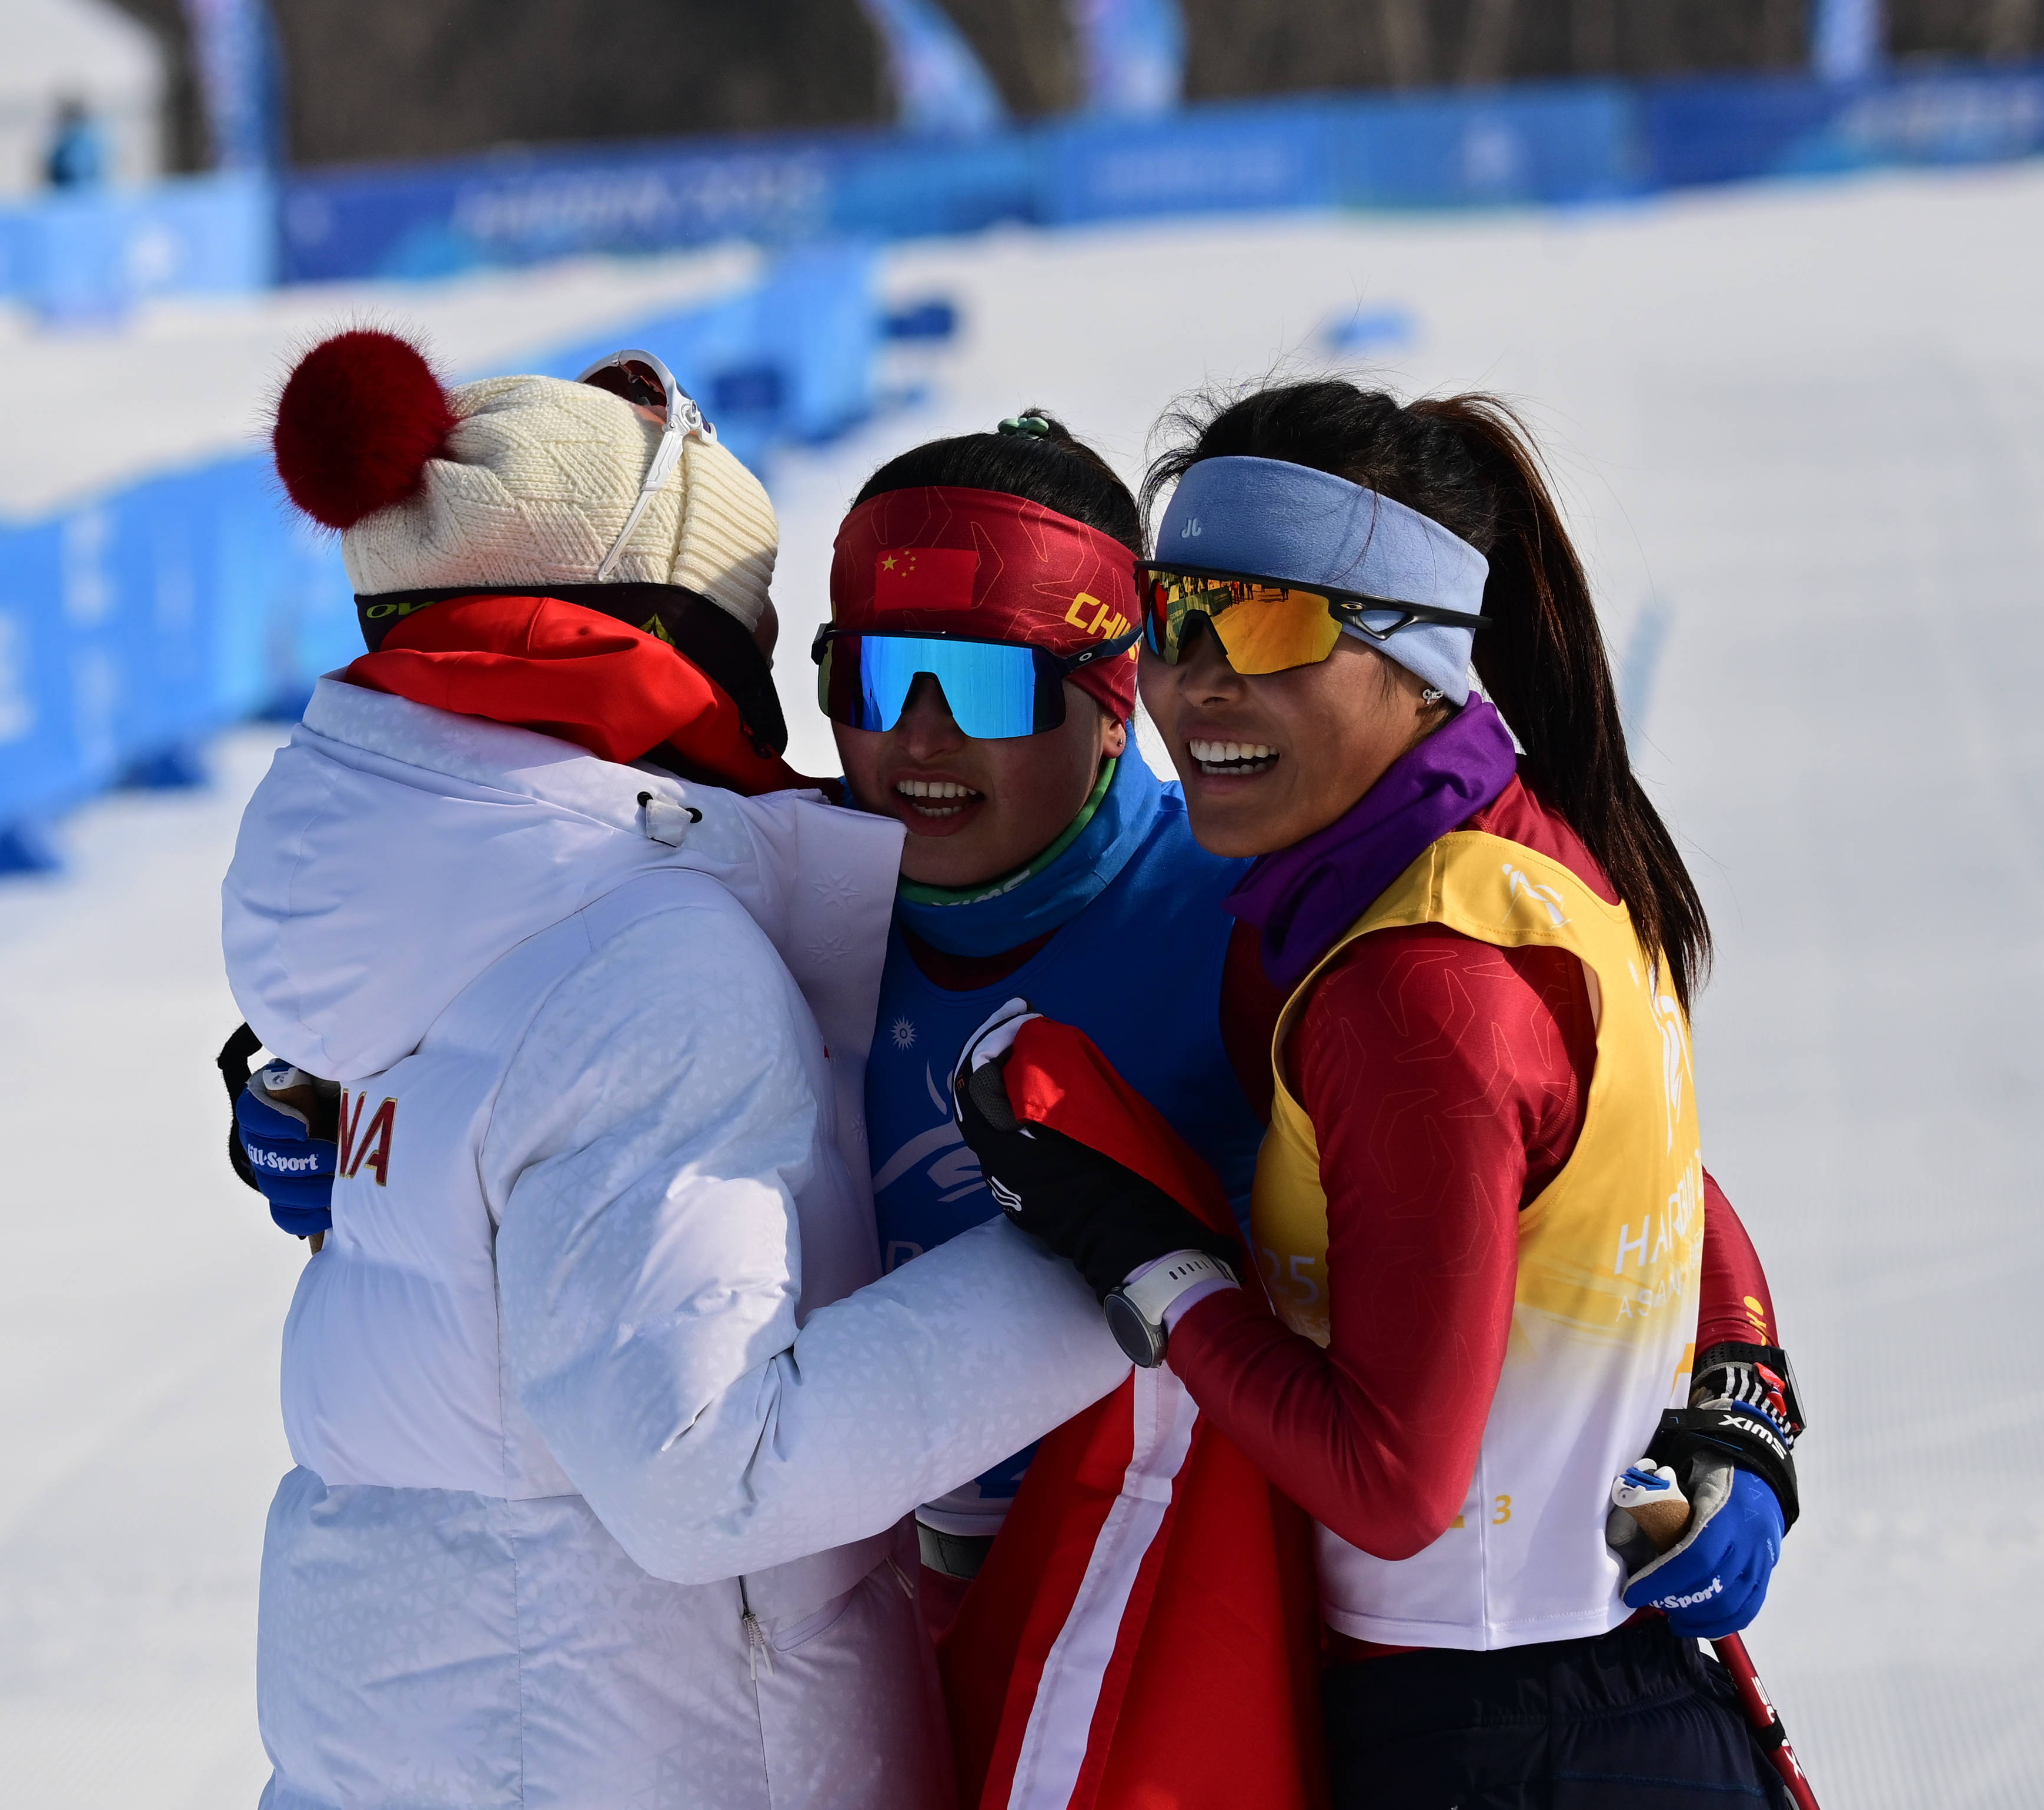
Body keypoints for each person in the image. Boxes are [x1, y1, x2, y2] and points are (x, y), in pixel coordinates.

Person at [222, 330, 1127, 1810]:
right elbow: (713, 1469)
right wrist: (1105, 1267)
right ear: (666, 633)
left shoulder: (414, 901)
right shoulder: (651, 966)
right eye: (762, 634)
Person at [953, 379, 1805, 1808]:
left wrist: (1147, 1262)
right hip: (1607, 1705)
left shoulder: (1412, 982)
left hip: (1488, 1732)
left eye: (1270, 622)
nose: (1199, 681)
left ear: (1423, 662)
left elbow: (1397, 1488)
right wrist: (1744, 1388)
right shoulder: (1509, 855)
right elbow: (1630, 1162)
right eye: (1175, 616)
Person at [817, 412, 1268, 1607]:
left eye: (982, 685)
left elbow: (1543, 1116)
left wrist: (1733, 1373)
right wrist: (340, 1087)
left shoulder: (1239, 917)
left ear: (1114, 701)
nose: (918, 734)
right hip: (884, 1617)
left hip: (1183, 1611)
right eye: (870, 674)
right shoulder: (778, 891)